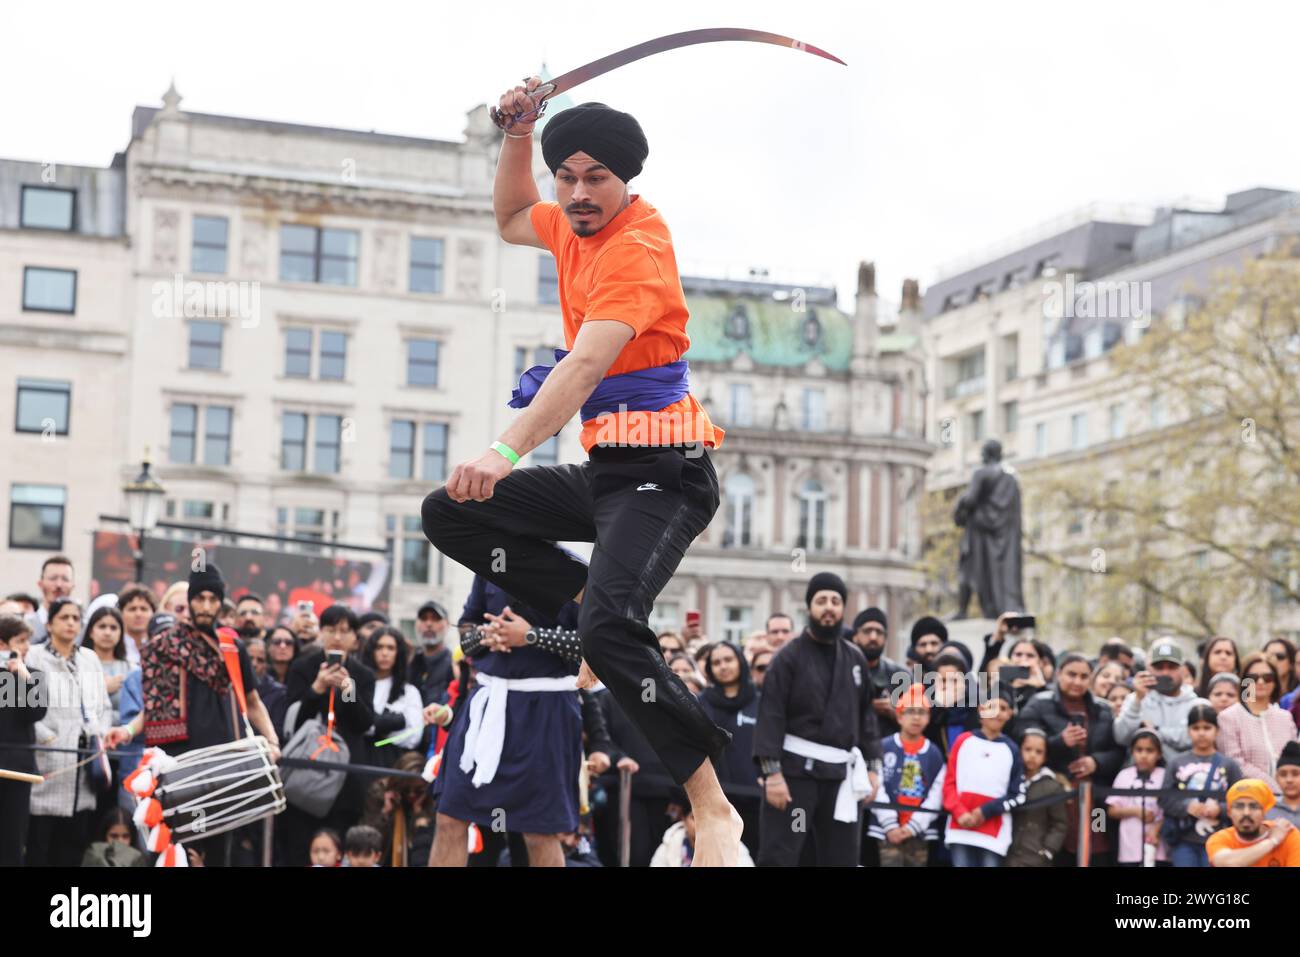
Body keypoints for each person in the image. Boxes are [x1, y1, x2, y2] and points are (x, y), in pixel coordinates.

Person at [424, 85, 748, 864]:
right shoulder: (568, 224)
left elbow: (584, 365)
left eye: (594, 177)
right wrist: (516, 133)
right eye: (564, 176)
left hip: (667, 476)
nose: (575, 194)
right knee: (450, 512)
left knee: (608, 632)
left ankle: (714, 807)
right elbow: (508, 218)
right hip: (607, 476)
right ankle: (584, 599)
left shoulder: (637, 248)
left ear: (626, 181)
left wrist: (503, 452)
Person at [127, 565, 280, 866]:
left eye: (213, 598)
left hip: (223, 763)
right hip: (176, 764)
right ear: (191, 600)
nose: (206, 606)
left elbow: (251, 699)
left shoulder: (231, 646)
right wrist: (127, 731)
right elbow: (153, 706)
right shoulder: (165, 646)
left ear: (221, 603)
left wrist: (273, 741)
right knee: (172, 852)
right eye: (200, 598)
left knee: (217, 854)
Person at [430, 589, 583, 868]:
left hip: (545, 711)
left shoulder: (574, 571)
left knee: (540, 831)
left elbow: (593, 643)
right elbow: (466, 636)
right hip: (486, 704)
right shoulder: (487, 561)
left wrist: (532, 636)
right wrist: (484, 636)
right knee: (449, 817)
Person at [753, 572, 882, 867]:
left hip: (840, 778)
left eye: (835, 601)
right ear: (809, 607)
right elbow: (771, 716)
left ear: (843, 608)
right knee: (780, 856)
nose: (829, 607)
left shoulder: (855, 659)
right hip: (794, 777)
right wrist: (772, 774)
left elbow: (866, 719)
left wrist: (874, 768)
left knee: (841, 858)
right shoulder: (788, 658)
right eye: (821, 600)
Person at [284, 604, 375, 866]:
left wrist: (348, 691)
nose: (337, 636)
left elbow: (364, 724)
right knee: (301, 850)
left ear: (355, 638)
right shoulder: (302, 667)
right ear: (321, 632)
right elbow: (292, 722)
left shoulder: (363, 675)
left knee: (341, 850)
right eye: (331, 629)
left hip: (345, 777)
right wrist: (317, 688)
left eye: (345, 631)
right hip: (305, 773)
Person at [25, 598, 111, 866]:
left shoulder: (89, 658)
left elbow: (104, 707)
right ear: (49, 623)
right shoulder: (32, 655)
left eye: (76, 618)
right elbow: (16, 713)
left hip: (83, 770)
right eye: (64, 617)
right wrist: (45, 735)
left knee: (72, 850)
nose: (71, 623)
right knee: (38, 848)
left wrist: (100, 732)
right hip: (45, 766)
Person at [941, 690, 1025, 867]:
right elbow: (949, 783)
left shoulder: (1012, 750)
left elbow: (1017, 794)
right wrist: (959, 811)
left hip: (993, 833)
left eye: (1002, 708)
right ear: (980, 709)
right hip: (960, 827)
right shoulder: (963, 741)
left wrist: (985, 811)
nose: (996, 712)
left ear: (1009, 714)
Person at [696, 640, 761, 858]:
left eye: (728, 659)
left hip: (756, 799)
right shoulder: (700, 703)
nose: (723, 666)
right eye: (716, 662)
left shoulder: (760, 701)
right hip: (715, 801)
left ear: (741, 662)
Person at [870, 684, 946, 867]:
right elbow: (875, 784)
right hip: (886, 828)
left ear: (928, 718)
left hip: (919, 829)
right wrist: (890, 825)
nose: (916, 717)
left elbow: (937, 792)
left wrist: (914, 826)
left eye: (922, 712)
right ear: (899, 716)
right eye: (910, 711)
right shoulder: (883, 747)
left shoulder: (934, 753)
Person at [1158, 704, 1243, 867]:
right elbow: (1164, 798)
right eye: (1196, 728)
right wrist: (1186, 806)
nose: (1202, 733)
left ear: (1217, 730)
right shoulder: (1176, 763)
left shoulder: (1229, 765)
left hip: (1221, 839)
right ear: (1189, 730)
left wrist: (1221, 809)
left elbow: (1240, 800)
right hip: (1183, 838)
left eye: (1207, 727)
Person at [1216, 652, 1298, 793]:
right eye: (1253, 677)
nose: (1260, 682)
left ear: (1275, 682)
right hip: (1249, 796)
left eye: (1267, 678)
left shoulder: (1285, 717)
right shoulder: (1228, 717)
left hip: (1289, 797)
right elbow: (1236, 764)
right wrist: (1274, 788)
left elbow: (1295, 757)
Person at [0, 614, 46, 866]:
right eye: (20, 640)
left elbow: (36, 712)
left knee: (13, 840)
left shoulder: (33, 675)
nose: (27, 646)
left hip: (18, 771)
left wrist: (23, 677)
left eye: (28, 640)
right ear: (2, 644)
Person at [1114, 638, 1205, 763]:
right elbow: (1121, 737)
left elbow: (1193, 739)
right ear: (1149, 669)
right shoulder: (1136, 700)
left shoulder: (1197, 705)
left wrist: (1156, 730)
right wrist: (1137, 701)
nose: (1165, 672)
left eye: (1172, 667)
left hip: (1183, 776)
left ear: (1182, 669)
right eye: (1159, 667)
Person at [361, 626, 426, 765]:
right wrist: (395, 722)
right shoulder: (356, 686)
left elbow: (413, 736)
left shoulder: (409, 692)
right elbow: (353, 726)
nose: (384, 653)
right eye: (379, 647)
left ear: (398, 653)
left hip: (390, 763)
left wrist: (375, 728)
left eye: (390, 648)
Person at [361, 751, 437, 867]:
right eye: (406, 789)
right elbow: (366, 839)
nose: (411, 795)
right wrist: (385, 813)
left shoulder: (431, 799)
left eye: (418, 790)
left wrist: (419, 815)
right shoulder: (380, 793)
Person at [1006, 727, 1068, 867]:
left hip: (1036, 856)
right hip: (1007, 853)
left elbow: (1059, 823)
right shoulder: (1009, 779)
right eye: (1027, 749)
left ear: (1045, 757)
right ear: (1019, 750)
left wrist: (1048, 850)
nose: (1032, 755)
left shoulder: (1052, 786)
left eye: (1039, 752)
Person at [1106, 730, 1169, 867]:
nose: (1144, 755)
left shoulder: (1165, 775)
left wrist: (1157, 829)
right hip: (1129, 847)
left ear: (1159, 754)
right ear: (1132, 752)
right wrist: (1136, 812)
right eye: (1139, 750)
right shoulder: (1124, 775)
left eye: (1150, 750)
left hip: (1158, 847)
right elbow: (1111, 810)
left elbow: (1171, 809)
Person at [1206, 778, 1300, 867]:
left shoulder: (1288, 835)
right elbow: (1228, 863)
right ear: (1229, 812)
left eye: (1254, 806)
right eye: (1239, 806)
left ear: (1264, 812)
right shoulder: (1220, 839)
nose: (1246, 813)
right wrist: (1272, 841)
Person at [650, 793, 755, 867]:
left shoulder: (733, 845)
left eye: (707, 818)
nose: (701, 824)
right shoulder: (670, 844)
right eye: (694, 818)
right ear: (684, 819)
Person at [851, 608, 909, 738]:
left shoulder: (900, 676)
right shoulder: (843, 671)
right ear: (855, 636)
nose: (873, 637)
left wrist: (894, 712)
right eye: (867, 631)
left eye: (879, 632)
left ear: (886, 638)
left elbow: (917, 722)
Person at [410, 600, 454, 705]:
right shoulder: (409, 661)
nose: (429, 624)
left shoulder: (454, 665)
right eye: (423, 618)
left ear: (447, 624)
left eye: (435, 619)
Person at [80, 807, 147, 867]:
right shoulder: (93, 858)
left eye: (125, 836)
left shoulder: (141, 861)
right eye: (114, 836)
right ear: (105, 835)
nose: (120, 841)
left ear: (133, 837)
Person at [31, 554, 75, 642]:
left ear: (73, 585)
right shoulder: (25, 625)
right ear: (40, 584)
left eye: (65, 579)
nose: (59, 585)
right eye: (53, 578)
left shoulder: (83, 629)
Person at [115, 585, 156, 665]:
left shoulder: (159, 646)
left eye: (144, 609)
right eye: (132, 609)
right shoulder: (113, 646)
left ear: (153, 613)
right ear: (121, 613)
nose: (138, 614)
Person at [1268, 742, 1300, 827]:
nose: (1289, 780)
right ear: (1276, 778)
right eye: (1283, 774)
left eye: (1295, 774)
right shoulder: (1267, 810)